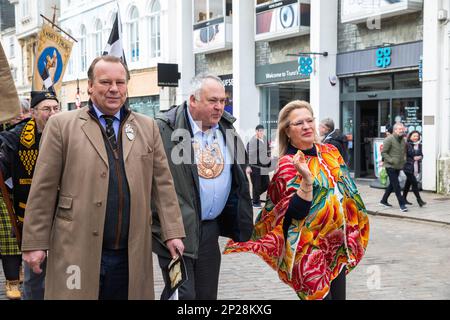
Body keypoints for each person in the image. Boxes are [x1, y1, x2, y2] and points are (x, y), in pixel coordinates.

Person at [20, 55, 185, 300]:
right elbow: (42, 190)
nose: (114, 89)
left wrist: (173, 232)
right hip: (76, 248)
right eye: (105, 82)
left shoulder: (147, 127)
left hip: (131, 253)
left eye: (120, 82)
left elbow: (162, 185)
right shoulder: (61, 126)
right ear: (90, 85)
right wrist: (34, 243)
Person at [224, 100, 370, 300]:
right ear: (287, 131)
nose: (306, 126)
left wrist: (355, 227)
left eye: (309, 120)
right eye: (299, 123)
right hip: (308, 250)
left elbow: (348, 192)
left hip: (337, 245)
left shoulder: (330, 152)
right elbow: (293, 214)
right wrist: (307, 181)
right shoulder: (288, 163)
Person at [153, 73, 253, 300]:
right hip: (176, 230)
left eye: (223, 101)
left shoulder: (227, 128)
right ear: (193, 100)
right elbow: (151, 184)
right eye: (212, 101)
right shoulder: (164, 129)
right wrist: (165, 229)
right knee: (182, 295)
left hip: (209, 230)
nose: (219, 107)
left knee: (207, 295)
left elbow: (238, 176)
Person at [0, 90, 61, 300]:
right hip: (32, 219)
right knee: (35, 276)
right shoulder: (16, 137)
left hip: (66, 217)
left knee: (72, 275)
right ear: (33, 113)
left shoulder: (71, 132)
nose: (52, 113)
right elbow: (3, 160)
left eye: (56, 108)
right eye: (46, 109)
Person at [380, 122, 408, 212]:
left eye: (402, 129)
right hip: (390, 166)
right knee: (396, 185)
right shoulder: (389, 139)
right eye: (400, 129)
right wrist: (391, 160)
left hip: (399, 165)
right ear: (395, 130)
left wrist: (404, 160)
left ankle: (383, 201)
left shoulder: (403, 140)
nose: (402, 130)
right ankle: (402, 204)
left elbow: (403, 152)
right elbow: (384, 152)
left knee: (392, 184)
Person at [246, 124, 271, 208]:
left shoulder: (264, 139)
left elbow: (268, 150)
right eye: (259, 131)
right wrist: (248, 166)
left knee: (267, 184)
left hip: (264, 167)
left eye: (262, 131)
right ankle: (255, 202)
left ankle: (255, 197)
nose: (261, 132)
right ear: (256, 131)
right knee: (256, 185)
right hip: (255, 167)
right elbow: (249, 154)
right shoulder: (252, 141)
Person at [403, 130, 426, 207]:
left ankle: (403, 199)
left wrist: (420, 157)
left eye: (417, 136)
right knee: (414, 184)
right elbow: (409, 154)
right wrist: (415, 157)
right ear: (410, 136)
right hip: (408, 167)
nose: (416, 137)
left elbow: (421, 155)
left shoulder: (420, 145)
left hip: (415, 167)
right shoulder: (407, 144)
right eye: (414, 136)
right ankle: (419, 200)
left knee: (407, 184)